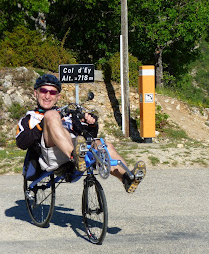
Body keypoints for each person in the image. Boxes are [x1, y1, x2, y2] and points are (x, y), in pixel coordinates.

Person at [16, 73, 145, 193]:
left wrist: (91, 124)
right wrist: (42, 125)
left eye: (52, 92)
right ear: (36, 93)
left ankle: (127, 178)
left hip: (77, 151)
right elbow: (21, 142)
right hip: (52, 155)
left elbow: (88, 136)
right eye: (43, 91)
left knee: (102, 144)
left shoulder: (68, 115)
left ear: (58, 96)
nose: (47, 96)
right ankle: (74, 156)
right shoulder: (29, 118)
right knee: (51, 115)